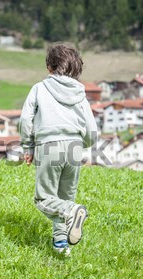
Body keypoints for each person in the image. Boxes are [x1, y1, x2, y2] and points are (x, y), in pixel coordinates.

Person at [19, 43, 97, 255]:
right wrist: (85, 145)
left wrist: (28, 145)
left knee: (44, 199)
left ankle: (72, 211)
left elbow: (26, 118)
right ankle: (61, 245)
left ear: (49, 67)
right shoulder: (80, 94)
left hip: (49, 145)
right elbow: (91, 128)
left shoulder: (39, 88)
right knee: (64, 197)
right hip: (75, 148)